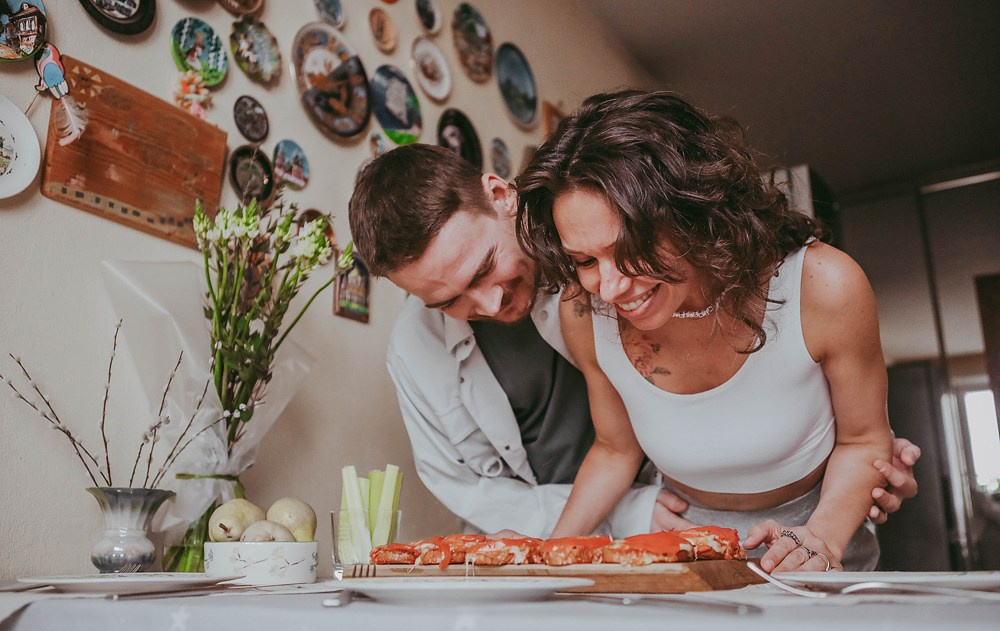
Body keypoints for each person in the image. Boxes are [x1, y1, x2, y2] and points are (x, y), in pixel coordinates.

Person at [347, 143, 919, 543]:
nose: (490, 307)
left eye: (482, 271)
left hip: (716, 513)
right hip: (613, 522)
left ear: (500, 194)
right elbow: (471, 484)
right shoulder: (416, 348)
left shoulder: (618, 262)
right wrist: (590, 532)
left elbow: (753, 375)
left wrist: (855, 452)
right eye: (447, 301)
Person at [515, 90, 902, 572]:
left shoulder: (825, 285)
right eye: (584, 261)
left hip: (816, 528)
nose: (610, 288)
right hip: (678, 547)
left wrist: (819, 539)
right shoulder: (584, 313)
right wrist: (552, 552)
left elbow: (864, 441)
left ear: (694, 211)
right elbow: (615, 449)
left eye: (629, 246)